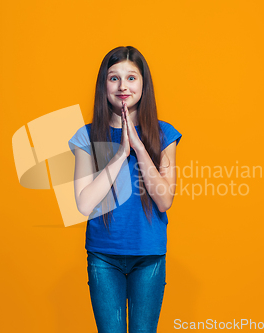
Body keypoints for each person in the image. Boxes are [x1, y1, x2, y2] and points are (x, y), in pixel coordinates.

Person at [68, 46, 182, 333]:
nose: (122, 86)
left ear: (144, 85)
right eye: (113, 78)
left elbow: (164, 200)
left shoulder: (164, 134)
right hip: (103, 256)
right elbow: (84, 205)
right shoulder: (86, 136)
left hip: (149, 255)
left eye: (131, 78)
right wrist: (119, 155)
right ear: (103, 85)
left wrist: (140, 147)